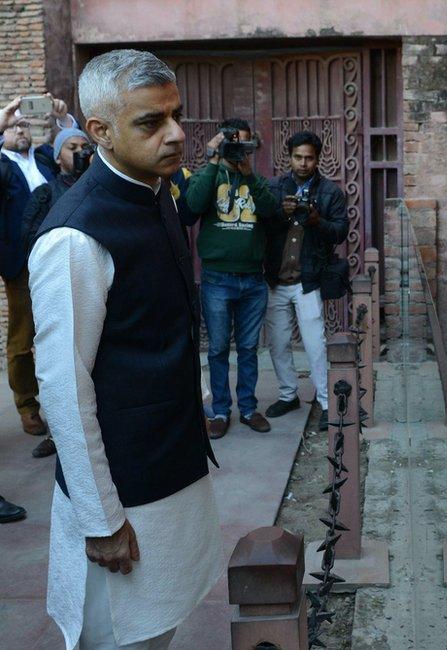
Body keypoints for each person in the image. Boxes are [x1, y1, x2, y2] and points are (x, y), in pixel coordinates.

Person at [29, 49, 222, 649]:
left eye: (177, 114)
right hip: (123, 495)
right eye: (151, 122)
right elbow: (63, 389)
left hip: (171, 468)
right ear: (100, 132)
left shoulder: (155, 190)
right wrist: (99, 519)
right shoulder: (73, 236)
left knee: (159, 629)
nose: (176, 134)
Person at [184, 118, 276, 439]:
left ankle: (248, 408)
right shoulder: (209, 175)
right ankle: (221, 410)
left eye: (244, 144)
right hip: (217, 279)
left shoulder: (257, 180)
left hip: (252, 279)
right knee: (219, 348)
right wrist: (212, 160)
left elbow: (272, 211)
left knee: (249, 348)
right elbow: (191, 207)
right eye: (232, 144)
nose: (238, 150)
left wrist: (249, 174)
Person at [0, 94, 75, 439]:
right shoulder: (2, 165)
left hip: (56, 259)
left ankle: (65, 403)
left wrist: (62, 119)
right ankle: (28, 406)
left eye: (25, 125)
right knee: (22, 337)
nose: (22, 131)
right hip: (21, 265)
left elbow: (71, 150)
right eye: (15, 127)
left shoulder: (44, 159)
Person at [265, 131, 349, 430]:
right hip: (276, 279)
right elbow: (260, 223)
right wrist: (280, 212)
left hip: (308, 280)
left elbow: (340, 231)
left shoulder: (330, 192)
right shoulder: (274, 187)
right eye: (298, 157)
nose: (303, 163)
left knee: (316, 344)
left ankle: (326, 402)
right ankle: (288, 394)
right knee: (277, 343)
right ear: (289, 157)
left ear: (318, 158)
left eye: (309, 158)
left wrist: (318, 221)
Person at [20, 126, 93, 459]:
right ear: (57, 155)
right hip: (58, 289)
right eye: (71, 147)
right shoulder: (46, 194)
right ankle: (57, 433)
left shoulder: (101, 191)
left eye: (84, 146)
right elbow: (30, 236)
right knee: (58, 363)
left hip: (95, 290)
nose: (79, 153)